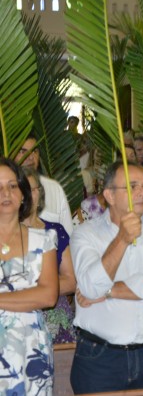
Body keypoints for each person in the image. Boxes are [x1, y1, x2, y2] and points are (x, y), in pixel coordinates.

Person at [70, 161, 143, 393]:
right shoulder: (85, 233)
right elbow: (90, 287)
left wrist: (109, 291)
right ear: (109, 195)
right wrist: (122, 239)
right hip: (100, 356)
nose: (142, 193)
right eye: (132, 187)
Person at [0, 158, 58, 395]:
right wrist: (25, 297)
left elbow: (48, 295)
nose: (6, 193)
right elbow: (35, 293)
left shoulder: (43, 239)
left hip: (30, 348)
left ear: (23, 194)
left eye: (12, 186)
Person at [22, 168, 77, 344]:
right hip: (16, 315)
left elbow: (70, 281)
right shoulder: (6, 234)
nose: (29, 195)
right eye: (22, 189)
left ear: (40, 193)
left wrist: (33, 288)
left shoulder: (55, 231)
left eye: (32, 189)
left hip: (55, 317)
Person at [14, 136, 73, 235]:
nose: (31, 157)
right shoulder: (4, 191)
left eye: (34, 151)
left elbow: (68, 233)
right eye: (22, 151)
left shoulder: (54, 188)